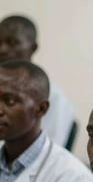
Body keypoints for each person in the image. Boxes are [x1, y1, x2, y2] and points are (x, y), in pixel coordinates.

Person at [0, 15, 76, 149]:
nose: (3, 50)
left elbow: (50, 149)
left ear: (33, 47)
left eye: (12, 43)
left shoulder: (54, 97)